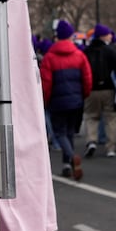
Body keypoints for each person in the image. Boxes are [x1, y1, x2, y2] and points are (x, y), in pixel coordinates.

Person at [42, 19, 92, 180]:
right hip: (76, 101)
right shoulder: (79, 55)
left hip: (57, 102)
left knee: (60, 133)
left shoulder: (49, 57)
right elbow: (87, 79)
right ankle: (67, 164)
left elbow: (46, 83)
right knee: (69, 132)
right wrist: (83, 96)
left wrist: (46, 100)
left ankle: (70, 158)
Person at [82, 23, 116, 159]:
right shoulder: (111, 50)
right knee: (110, 117)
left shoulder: (86, 51)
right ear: (104, 36)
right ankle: (110, 147)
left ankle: (91, 140)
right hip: (108, 87)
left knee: (91, 116)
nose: (111, 36)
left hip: (91, 88)